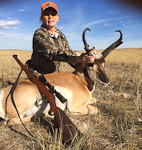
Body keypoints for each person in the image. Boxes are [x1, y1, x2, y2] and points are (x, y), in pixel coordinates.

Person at [29, 1, 94, 74]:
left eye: (53, 14)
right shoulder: (39, 34)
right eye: (46, 15)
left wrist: (84, 63)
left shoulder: (61, 35)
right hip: (39, 73)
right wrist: (77, 59)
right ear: (42, 18)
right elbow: (52, 54)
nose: (50, 17)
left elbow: (68, 53)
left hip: (55, 73)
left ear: (57, 18)